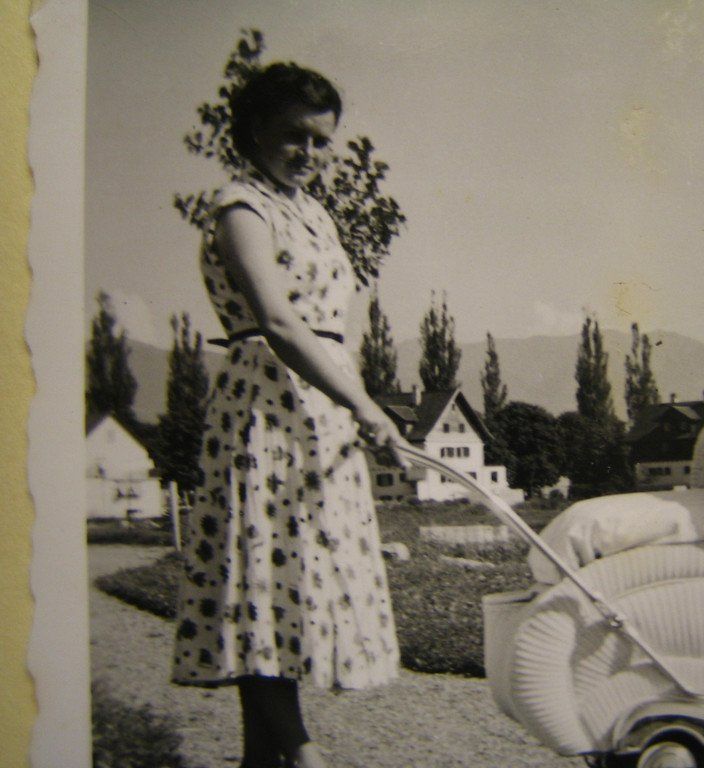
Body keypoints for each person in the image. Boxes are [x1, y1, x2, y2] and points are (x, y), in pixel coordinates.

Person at [171, 62, 411, 768]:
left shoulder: (315, 212)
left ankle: (263, 759)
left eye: (321, 140)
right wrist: (361, 404)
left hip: (322, 409)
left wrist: (358, 407)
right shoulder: (240, 207)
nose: (308, 153)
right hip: (264, 411)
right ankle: (304, 756)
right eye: (292, 136)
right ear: (253, 132)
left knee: (291, 581)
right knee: (260, 580)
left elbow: (331, 328)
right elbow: (277, 320)